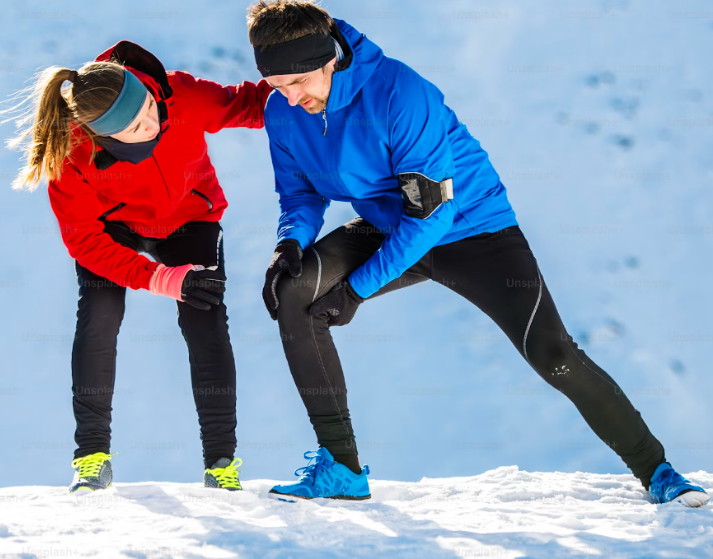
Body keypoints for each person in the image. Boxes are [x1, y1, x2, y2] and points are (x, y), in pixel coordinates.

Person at [246, 0, 709, 506]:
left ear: (330, 58)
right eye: (276, 85)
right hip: (389, 225)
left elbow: (430, 215)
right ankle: (341, 469)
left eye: (299, 82)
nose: (291, 97)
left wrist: (356, 289)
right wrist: (289, 242)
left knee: (554, 355)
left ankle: (658, 472)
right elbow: (300, 193)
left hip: (472, 229)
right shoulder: (282, 112)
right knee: (294, 291)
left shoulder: (401, 93)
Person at [3, 39, 272, 494]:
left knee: (206, 320)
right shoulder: (72, 151)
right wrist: (159, 278)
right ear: (103, 136)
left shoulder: (178, 94)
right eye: (136, 126)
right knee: (99, 318)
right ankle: (92, 459)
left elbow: (247, 104)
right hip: (115, 230)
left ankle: (221, 464)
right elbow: (84, 240)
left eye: (148, 106)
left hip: (191, 217)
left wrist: (307, 88)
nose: (154, 122)